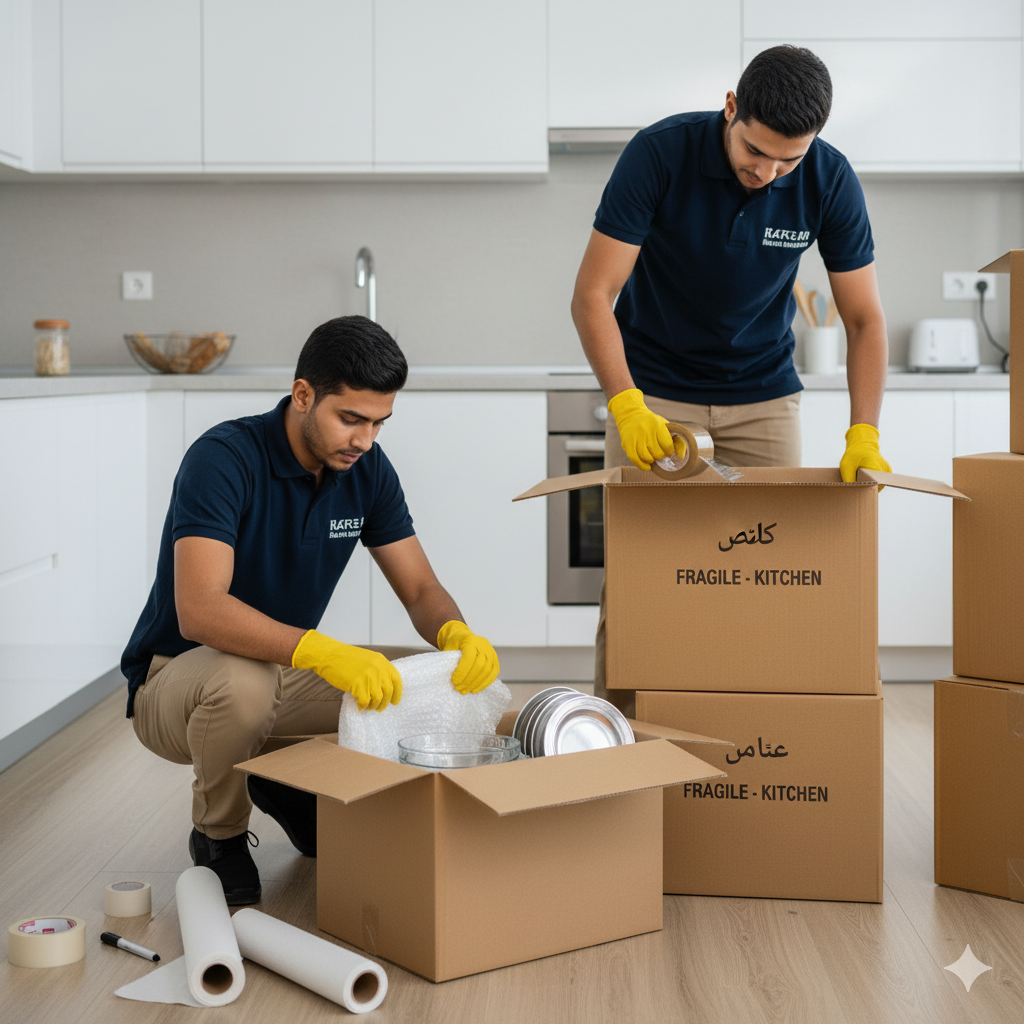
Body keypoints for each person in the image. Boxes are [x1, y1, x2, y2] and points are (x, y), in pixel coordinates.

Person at [121, 316, 500, 905]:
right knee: (243, 682)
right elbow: (199, 610)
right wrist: (321, 651)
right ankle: (217, 837)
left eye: (379, 422)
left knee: (430, 683)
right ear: (303, 395)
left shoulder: (367, 470)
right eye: (350, 418)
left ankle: (286, 781)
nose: (365, 440)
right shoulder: (223, 458)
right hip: (177, 680)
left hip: (280, 672)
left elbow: (421, 589)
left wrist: (457, 635)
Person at [570, 45, 892, 715]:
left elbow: (863, 320)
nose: (769, 172)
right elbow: (593, 295)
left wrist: (864, 430)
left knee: (773, 580)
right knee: (637, 586)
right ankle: (618, 749)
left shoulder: (828, 179)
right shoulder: (660, 154)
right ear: (730, 108)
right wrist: (626, 405)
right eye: (756, 152)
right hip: (654, 392)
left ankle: (756, 751)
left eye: (788, 159)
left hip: (765, 397)